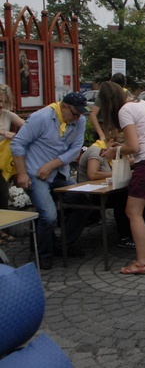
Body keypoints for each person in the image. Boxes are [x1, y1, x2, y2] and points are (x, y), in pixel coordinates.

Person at [10, 92, 91, 270]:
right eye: (75, 113)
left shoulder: (80, 120)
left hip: (59, 173)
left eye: (80, 114)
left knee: (84, 203)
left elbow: (76, 148)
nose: (77, 118)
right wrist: (22, 173)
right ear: (64, 107)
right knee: (48, 215)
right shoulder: (41, 118)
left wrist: (53, 165)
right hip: (35, 173)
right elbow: (17, 144)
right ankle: (44, 254)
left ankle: (63, 245)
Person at [99, 81, 145, 275]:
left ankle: (141, 262)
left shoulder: (125, 111)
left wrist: (115, 151)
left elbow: (134, 147)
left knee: (133, 211)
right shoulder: (142, 104)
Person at [77, 139, 133, 249]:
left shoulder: (109, 152)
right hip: (90, 194)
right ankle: (125, 236)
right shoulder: (96, 150)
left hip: (105, 190)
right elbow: (92, 174)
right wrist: (116, 173)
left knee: (130, 194)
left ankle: (133, 233)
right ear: (111, 141)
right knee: (122, 198)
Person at [0, 84, 24, 244]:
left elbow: (27, 127)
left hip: (2, 163)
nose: (1, 105)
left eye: (3, 102)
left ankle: (2, 230)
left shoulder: (7, 114)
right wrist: (2, 133)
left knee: (2, 196)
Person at [89, 73, 129, 142]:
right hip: (103, 128)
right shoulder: (104, 93)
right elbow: (92, 114)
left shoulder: (126, 94)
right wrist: (101, 135)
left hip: (117, 130)